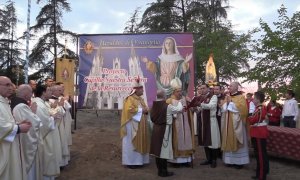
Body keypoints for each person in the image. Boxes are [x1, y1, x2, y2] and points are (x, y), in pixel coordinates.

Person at [0, 76, 32, 180]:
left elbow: (6, 122)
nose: (11, 88)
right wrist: (18, 128)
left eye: (11, 84)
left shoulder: (4, 102)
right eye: (7, 85)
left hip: (10, 146)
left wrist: (17, 124)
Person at [11, 84, 43, 180]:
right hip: (25, 140)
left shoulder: (16, 103)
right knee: (28, 170)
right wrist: (33, 112)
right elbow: (34, 123)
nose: (32, 95)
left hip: (20, 138)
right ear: (25, 94)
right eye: (30, 92)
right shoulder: (21, 106)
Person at [150, 89, 183, 177]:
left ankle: (159, 171)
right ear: (164, 96)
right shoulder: (167, 106)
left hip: (156, 129)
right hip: (165, 129)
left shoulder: (154, 105)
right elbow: (179, 109)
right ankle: (164, 172)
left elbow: (152, 118)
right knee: (164, 151)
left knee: (157, 151)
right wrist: (179, 101)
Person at [120, 78, 150, 169]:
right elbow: (129, 110)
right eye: (142, 89)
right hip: (132, 127)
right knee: (131, 143)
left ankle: (140, 161)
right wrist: (142, 110)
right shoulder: (129, 99)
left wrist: (146, 110)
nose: (143, 90)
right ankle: (131, 162)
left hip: (141, 125)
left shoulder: (140, 99)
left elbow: (145, 108)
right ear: (136, 90)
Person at [33, 85, 60, 180]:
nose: (51, 92)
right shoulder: (39, 104)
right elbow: (44, 122)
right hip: (44, 137)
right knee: (46, 158)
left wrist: (51, 115)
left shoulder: (42, 103)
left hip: (46, 135)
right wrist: (53, 117)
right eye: (49, 90)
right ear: (43, 92)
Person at [167, 78, 195, 167]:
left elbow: (191, 109)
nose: (180, 93)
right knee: (177, 141)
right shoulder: (169, 101)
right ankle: (175, 161)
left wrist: (190, 103)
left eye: (180, 91)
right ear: (173, 92)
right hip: (175, 125)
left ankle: (186, 160)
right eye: (178, 91)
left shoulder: (184, 99)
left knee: (186, 140)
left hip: (186, 123)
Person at [221, 82, 249, 169]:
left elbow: (243, 110)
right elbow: (223, 108)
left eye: (231, 86)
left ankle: (239, 162)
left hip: (236, 124)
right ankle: (229, 161)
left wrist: (231, 102)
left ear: (236, 88)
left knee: (237, 141)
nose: (229, 87)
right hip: (228, 123)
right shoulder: (227, 97)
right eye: (229, 86)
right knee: (228, 139)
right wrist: (226, 103)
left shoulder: (241, 97)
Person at [198, 84, 221, 168]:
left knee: (213, 141)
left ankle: (214, 160)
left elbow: (212, 106)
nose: (202, 90)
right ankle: (208, 159)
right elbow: (200, 109)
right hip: (204, 122)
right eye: (201, 88)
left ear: (208, 89)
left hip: (211, 121)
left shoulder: (213, 96)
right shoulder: (201, 98)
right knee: (206, 141)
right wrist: (195, 107)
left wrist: (201, 104)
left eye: (204, 88)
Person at [248, 91, 269, 180]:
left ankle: (261, 176)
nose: (253, 99)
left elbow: (254, 120)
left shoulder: (260, 108)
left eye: (254, 98)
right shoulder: (258, 108)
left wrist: (249, 118)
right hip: (257, 133)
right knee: (258, 154)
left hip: (259, 133)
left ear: (258, 99)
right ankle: (259, 173)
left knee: (260, 155)